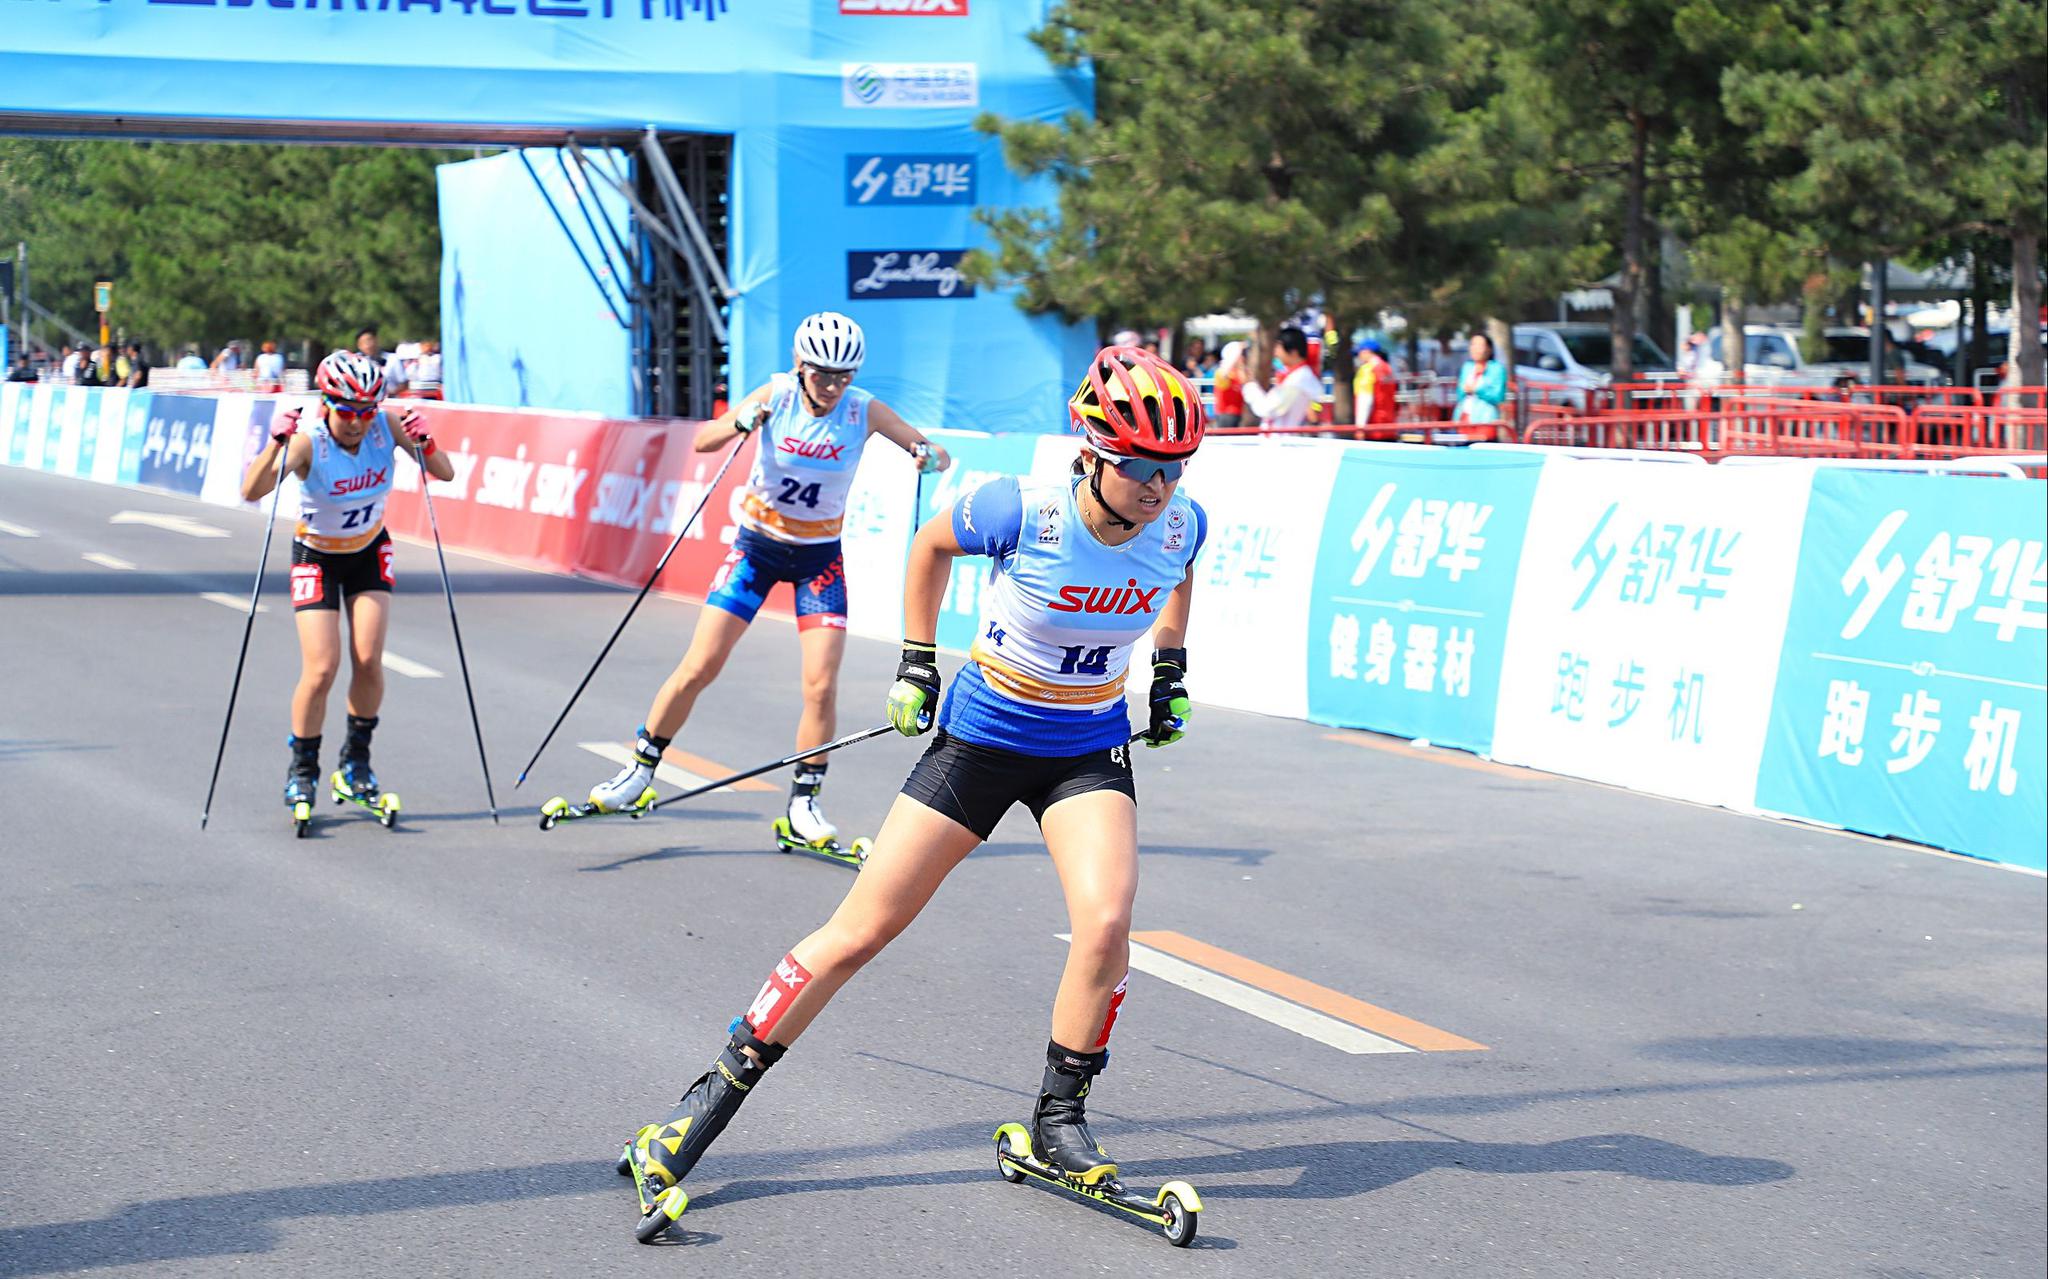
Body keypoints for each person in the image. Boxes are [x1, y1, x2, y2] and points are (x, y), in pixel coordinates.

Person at [619, 344, 1209, 1223]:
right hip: (983, 736)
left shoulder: (1182, 523)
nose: (1158, 487)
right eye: (1139, 468)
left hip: (1086, 743)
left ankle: (1058, 1119)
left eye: (1173, 468)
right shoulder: (1023, 509)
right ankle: (692, 1114)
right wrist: (917, 661)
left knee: (1108, 922)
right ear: (1091, 451)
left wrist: (1168, 671)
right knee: (858, 932)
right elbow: (932, 546)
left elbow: (1177, 575)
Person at [573, 312, 952, 854]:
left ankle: (803, 803)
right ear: (800, 366)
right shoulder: (777, 394)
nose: (832, 385)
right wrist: (741, 420)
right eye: (823, 374)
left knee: (821, 684)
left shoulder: (861, 409)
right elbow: (704, 441)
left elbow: (938, 453)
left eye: (843, 375)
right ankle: (638, 771)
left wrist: (926, 456)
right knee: (700, 665)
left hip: (819, 560)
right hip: (756, 551)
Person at [239, 350, 455, 812]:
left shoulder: (387, 427)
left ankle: (355, 764)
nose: (356, 422)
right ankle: (302, 769)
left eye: (365, 412)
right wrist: (275, 444)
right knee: (321, 669)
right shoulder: (307, 443)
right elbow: (251, 490)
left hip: (369, 551)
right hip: (316, 558)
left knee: (369, 660)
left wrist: (427, 443)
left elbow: (445, 473)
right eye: (347, 412)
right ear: (326, 406)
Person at [1242, 326, 1322, 430]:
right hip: (1281, 439)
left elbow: (1268, 409)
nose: (1275, 353)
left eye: (1278, 348)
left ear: (1293, 352)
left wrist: (1250, 386)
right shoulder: (1297, 376)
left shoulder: (1298, 380)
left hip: (1283, 441)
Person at [1454, 333, 1508, 424]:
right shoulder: (1467, 367)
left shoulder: (1497, 369)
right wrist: (1464, 389)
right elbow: (1459, 394)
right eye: (1473, 344)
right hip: (1463, 417)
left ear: (1489, 349)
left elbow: (1498, 397)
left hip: (1485, 419)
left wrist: (1477, 390)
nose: (1475, 349)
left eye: (1480, 345)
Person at [1352, 338, 1398, 427]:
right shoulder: (1387, 368)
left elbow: (1365, 399)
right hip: (1389, 424)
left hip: (1373, 425)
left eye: (1359, 352)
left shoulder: (1367, 369)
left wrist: (1360, 427)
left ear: (1367, 351)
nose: (1358, 356)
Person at [356, 327, 409, 397]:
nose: (367, 345)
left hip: (389, 401)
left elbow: (404, 383)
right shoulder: (356, 362)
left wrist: (390, 393)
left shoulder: (392, 359)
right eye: (363, 343)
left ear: (376, 340)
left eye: (369, 340)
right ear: (359, 346)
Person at [1210, 340, 1248, 429]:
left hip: (1239, 413)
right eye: (1241, 354)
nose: (1243, 357)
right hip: (1226, 414)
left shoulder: (1239, 371)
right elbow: (1223, 376)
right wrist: (1235, 353)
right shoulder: (1222, 371)